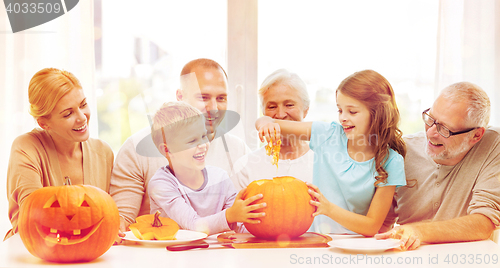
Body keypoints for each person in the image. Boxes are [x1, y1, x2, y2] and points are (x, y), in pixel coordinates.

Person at [256, 69, 406, 236]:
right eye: (340, 110)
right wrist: (265, 123)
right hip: (319, 242)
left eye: (352, 111)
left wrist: (327, 208)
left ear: (377, 113)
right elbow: (270, 122)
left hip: (360, 247)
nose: (343, 118)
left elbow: (371, 226)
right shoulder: (327, 134)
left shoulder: (391, 161)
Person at [110, 59, 250, 232]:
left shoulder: (238, 150)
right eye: (203, 97)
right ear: (180, 97)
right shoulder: (135, 149)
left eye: (221, 98)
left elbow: (246, 217)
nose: (214, 108)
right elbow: (121, 220)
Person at [376, 82, 500, 250]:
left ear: (476, 135)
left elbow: (484, 222)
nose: (430, 132)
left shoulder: (493, 146)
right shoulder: (401, 152)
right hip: (409, 259)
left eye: (445, 129)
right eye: (431, 119)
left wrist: (418, 230)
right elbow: (381, 222)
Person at [5, 68, 114, 240]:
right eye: (68, 113)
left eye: (83, 105)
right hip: (33, 256)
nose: (82, 118)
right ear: (44, 124)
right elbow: (32, 219)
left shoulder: (103, 153)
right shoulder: (26, 147)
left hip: (90, 257)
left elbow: (109, 218)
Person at [148, 102, 265, 235]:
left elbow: (238, 225)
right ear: (167, 150)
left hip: (214, 253)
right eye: (192, 141)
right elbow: (194, 225)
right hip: (173, 254)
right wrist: (229, 216)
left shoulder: (220, 178)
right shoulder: (161, 185)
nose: (203, 145)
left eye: (204, 136)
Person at [232, 69, 314, 191]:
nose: (280, 115)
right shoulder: (245, 166)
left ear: (306, 109)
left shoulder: (324, 163)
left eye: (289, 105)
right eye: (272, 107)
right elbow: (236, 209)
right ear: (263, 111)